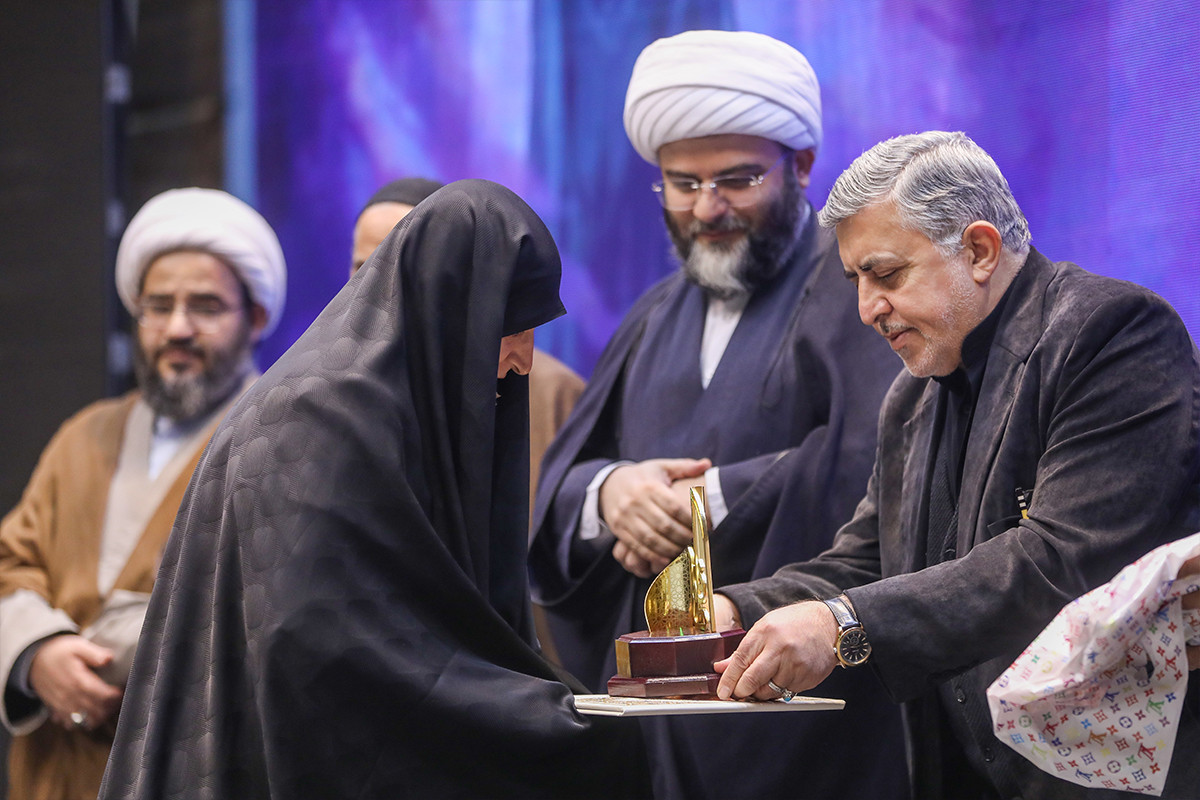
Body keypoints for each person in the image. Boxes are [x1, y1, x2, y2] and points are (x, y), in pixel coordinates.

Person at [98, 180, 651, 800]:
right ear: (449, 304)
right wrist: (526, 713)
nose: (521, 359)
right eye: (510, 326)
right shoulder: (319, 415)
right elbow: (316, 643)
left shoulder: (398, 405)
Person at [713, 131, 1200, 799]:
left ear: (979, 250)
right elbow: (868, 562)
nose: (866, 310)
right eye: (856, 281)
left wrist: (844, 624)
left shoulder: (1112, 332)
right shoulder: (910, 397)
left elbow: (1062, 562)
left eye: (886, 275)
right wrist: (734, 611)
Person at [528, 30, 907, 800]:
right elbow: (562, 483)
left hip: (815, 731)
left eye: (738, 179)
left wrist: (702, 504)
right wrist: (614, 493)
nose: (708, 207)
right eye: (683, 183)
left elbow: (886, 470)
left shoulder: (859, 293)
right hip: (661, 735)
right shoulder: (652, 313)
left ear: (801, 166)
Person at [0, 188, 286, 800]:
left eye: (206, 306)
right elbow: (10, 563)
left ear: (256, 317)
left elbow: (272, 615)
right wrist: (37, 652)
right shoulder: (84, 436)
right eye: (159, 307)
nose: (177, 329)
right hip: (53, 777)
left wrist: (111, 650)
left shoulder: (283, 442)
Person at [351, 177, 585, 520]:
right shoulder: (330, 395)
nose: (378, 290)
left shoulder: (550, 392)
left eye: (401, 269)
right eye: (363, 270)